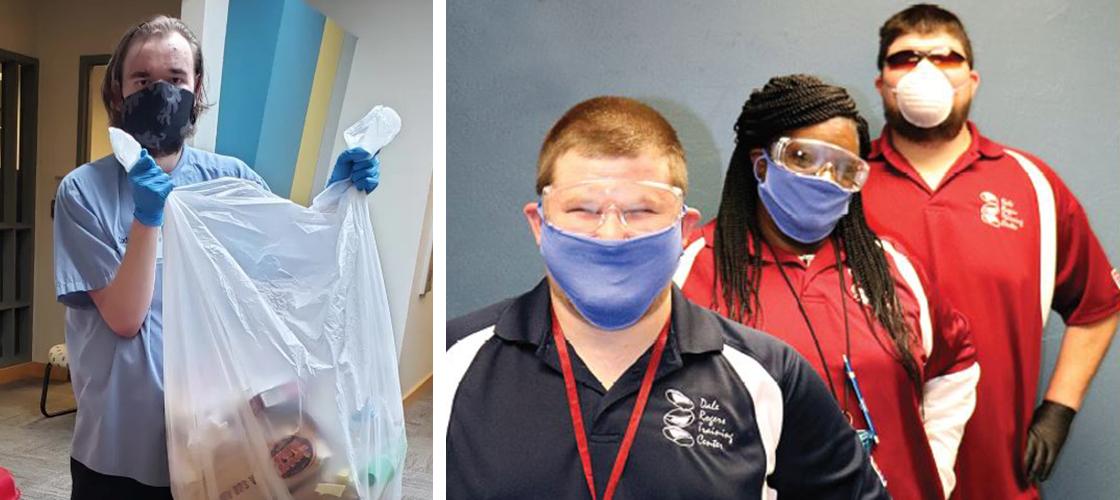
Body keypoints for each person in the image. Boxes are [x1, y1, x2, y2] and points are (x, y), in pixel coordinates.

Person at [444, 96, 889, 499]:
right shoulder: (453, 359)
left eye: (641, 210)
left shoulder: (769, 374)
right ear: (539, 224)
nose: (612, 233)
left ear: (683, 228)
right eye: (583, 209)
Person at [53, 15, 380, 498]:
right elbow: (125, 318)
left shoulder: (231, 181)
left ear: (196, 87)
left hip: (222, 443)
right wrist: (148, 216)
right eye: (143, 80)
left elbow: (292, 267)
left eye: (176, 78)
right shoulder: (83, 191)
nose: (160, 92)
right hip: (119, 447)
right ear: (118, 91)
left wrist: (335, 198)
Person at [676, 74, 979, 499]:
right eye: (804, 158)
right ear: (761, 163)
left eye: (845, 168)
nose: (825, 178)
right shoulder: (692, 273)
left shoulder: (892, 269)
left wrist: (932, 470)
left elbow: (955, 363)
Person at [861, 5, 1120, 499]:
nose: (925, 71)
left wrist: (1058, 410)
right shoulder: (843, 186)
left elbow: (1098, 306)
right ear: (882, 84)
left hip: (999, 482)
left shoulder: (1033, 186)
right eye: (906, 57)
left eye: (945, 56)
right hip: (871, 482)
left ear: (973, 79)